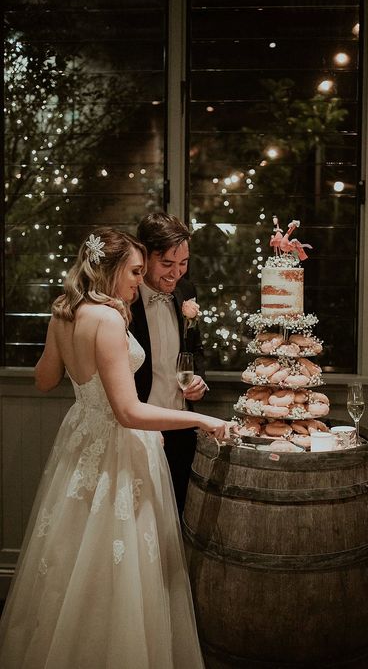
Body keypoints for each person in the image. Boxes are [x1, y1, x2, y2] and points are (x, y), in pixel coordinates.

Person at [0, 228, 228, 669]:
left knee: (75, 557)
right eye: (134, 271)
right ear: (110, 269)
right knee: (120, 564)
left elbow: (45, 380)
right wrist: (202, 418)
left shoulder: (64, 313)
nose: (137, 282)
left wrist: (75, 365)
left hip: (79, 441)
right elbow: (128, 412)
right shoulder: (106, 320)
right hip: (116, 450)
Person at [130, 212, 206, 517]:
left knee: (178, 514)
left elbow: (196, 349)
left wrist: (199, 381)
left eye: (183, 263)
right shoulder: (124, 300)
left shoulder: (187, 293)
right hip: (139, 428)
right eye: (167, 264)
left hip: (181, 425)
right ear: (144, 256)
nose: (176, 274)